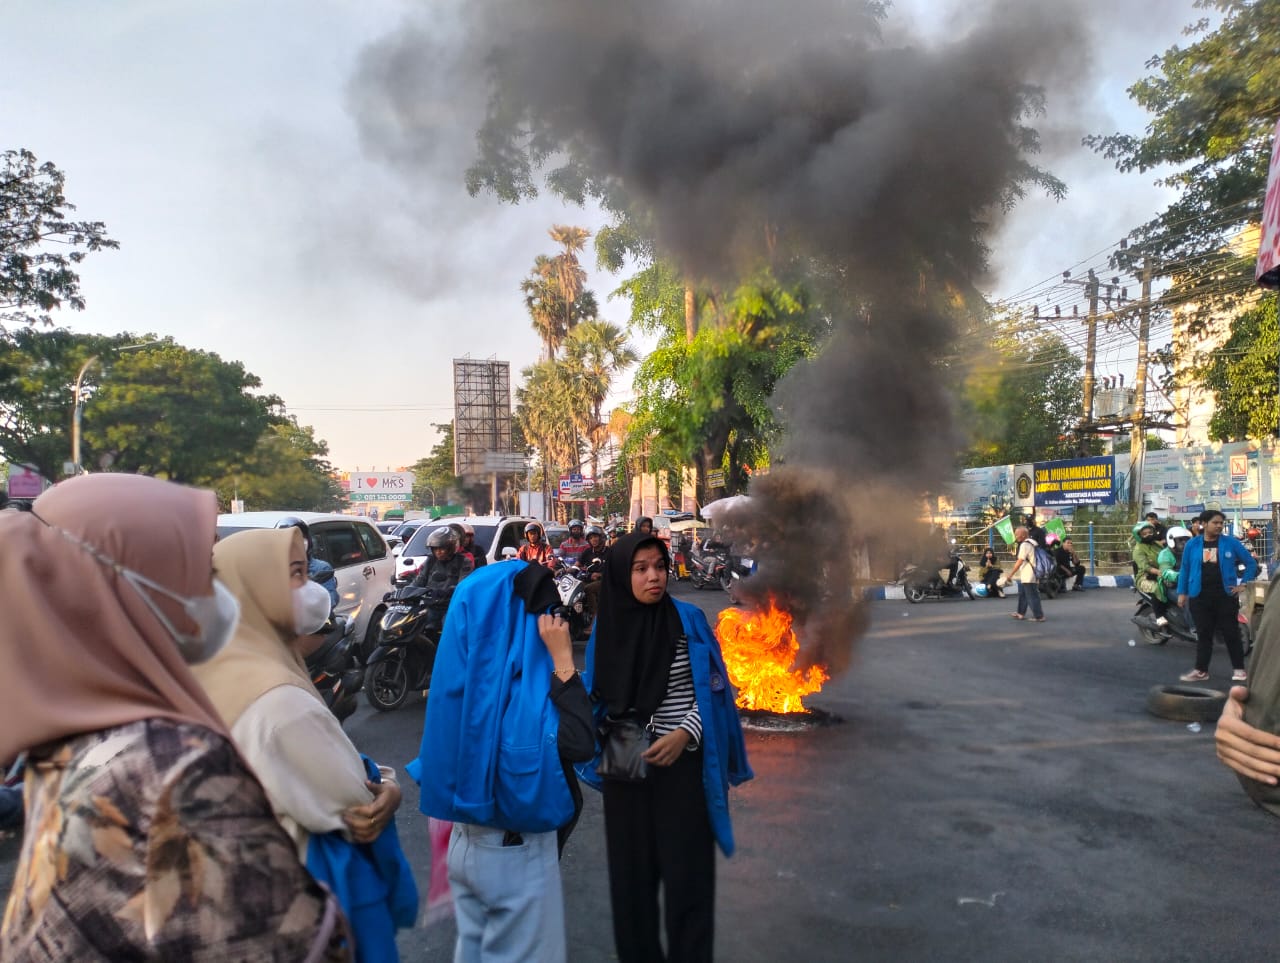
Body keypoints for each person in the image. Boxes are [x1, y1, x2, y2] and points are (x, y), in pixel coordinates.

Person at [0, 474, 352, 961]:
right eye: (201, 568)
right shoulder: (177, 765)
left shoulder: (71, 735)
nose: (217, 587)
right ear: (128, 585)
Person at [193, 528, 417, 960]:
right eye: (296, 575)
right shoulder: (281, 703)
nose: (312, 590)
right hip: (302, 909)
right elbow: (355, 800)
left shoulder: (211, 670)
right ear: (256, 591)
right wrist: (388, 787)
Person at [407, 562, 595, 963]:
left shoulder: (459, 691)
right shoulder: (523, 698)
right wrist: (564, 661)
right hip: (515, 853)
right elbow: (580, 741)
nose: (552, 622)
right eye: (546, 614)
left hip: (464, 846)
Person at [580, 533, 753, 962]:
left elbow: (713, 689)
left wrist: (686, 734)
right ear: (623, 574)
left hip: (682, 761)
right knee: (632, 884)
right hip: (626, 758)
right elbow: (597, 694)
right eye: (641, 569)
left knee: (688, 878)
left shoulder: (688, 619)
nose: (654, 576)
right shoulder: (609, 625)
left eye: (659, 566)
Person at [1176, 509, 1257, 683]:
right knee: (1204, 635)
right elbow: (1185, 569)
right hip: (1199, 596)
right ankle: (1201, 670)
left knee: (1231, 633)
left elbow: (1251, 564)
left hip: (1225, 596)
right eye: (1215, 522)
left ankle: (1239, 670)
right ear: (1203, 524)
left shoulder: (1231, 543)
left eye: (1221, 523)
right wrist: (1182, 593)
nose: (1219, 526)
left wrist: (1243, 584)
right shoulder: (1193, 544)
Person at [411, 526, 474, 631]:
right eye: (435, 549)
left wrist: (447, 591)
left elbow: (463, 586)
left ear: (451, 548)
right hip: (430, 606)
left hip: (450, 608)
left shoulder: (463, 562)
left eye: (442, 548)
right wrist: (401, 593)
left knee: (449, 630)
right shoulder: (430, 561)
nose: (438, 552)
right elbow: (419, 581)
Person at [279, 516, 339, 611]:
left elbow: (330, 600)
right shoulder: (274, 570)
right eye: (292, 538)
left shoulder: (321, 568)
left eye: (301, 538)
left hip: (313, 623)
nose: (297, 542)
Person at [1000, 526, 1044, 622]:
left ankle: (1039, 616)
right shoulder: (1033, 542)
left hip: (1029, 574)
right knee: (1023, 594)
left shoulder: (1024, 545)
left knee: (1032, 596)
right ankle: (1020, 613)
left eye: (1017, 534)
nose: (1016, 536)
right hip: (1032, 573)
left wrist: (1010, 574)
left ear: (1023, 534)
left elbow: (1020, 560)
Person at [1131, 521, 1168, 626]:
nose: (1148, 535)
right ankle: (1159, 616)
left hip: (1163, 572)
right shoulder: (1138, 549)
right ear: (1139, 536)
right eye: (1144, 534)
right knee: (1157, 588)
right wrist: (1158, 572)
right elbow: (1145, 567)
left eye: (1150, 532)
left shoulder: (1156, 544)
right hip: (1145, 577)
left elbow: (1167, 554)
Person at [578, 524, 609, 620]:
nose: (593, 540)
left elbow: (615, 568)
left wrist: (600, 574)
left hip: (604, 580)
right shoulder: (587, 552)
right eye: (591, 538)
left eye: (595, 536)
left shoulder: (609, 552)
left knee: (588, 589)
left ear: (601, 537)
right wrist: (566, 569)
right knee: (575, 587)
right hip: (588, 578)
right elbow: (577, 564)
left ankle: (595, 617)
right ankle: (577, 615)